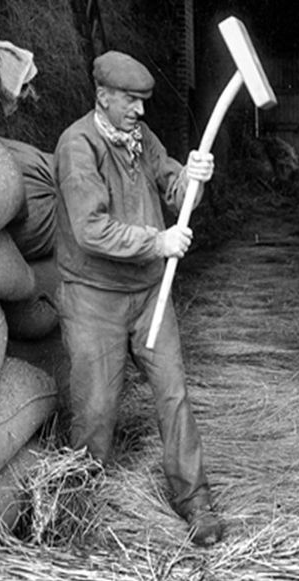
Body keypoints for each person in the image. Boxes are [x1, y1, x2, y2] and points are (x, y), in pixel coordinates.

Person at [53, 50, 224, 545]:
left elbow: (174, 191)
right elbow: (90, 229)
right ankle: (81, 510)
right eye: (130, 100)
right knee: (96, 409)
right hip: (94, 298)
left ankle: (195, 500)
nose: (140, 110)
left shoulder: (141, 138)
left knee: (174, 393)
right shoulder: (78, 146)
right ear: (102, 96)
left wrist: (192, 178)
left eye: (143, 100)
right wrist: (158, 242)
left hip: (149, 293)